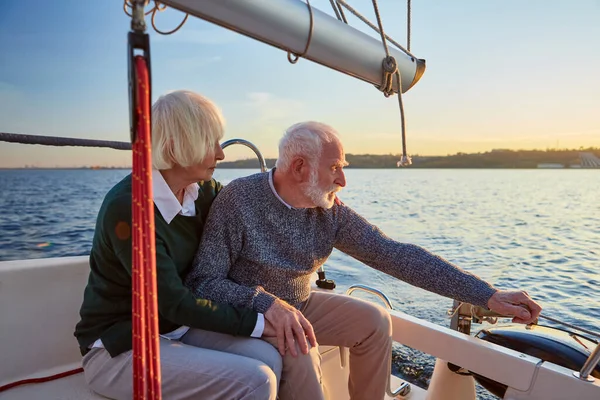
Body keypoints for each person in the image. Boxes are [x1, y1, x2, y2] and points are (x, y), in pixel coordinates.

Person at [184, 121, 543, 400]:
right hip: (248, 314)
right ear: (298, 167)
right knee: (299, 347)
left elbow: (396, 255)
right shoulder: (239, 200)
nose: (343, 179)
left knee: (373, 320)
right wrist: (265, 303)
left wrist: (487, 295)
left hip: (299, 304)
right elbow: (202, 282)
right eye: (335, 167)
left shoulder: (329, 212)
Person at [74, 90, 284, 400]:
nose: (221, 154)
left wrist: (304, 200)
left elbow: (251, 216)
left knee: (271, 358)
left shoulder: (203, 191)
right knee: (255, 380)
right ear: (176, 146)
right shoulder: (129, 207)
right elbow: (171, 301)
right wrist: (257, 321)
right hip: (118, 347)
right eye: (211, 142)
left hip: (174, 329)